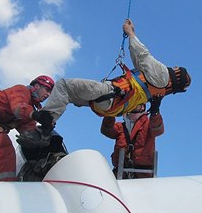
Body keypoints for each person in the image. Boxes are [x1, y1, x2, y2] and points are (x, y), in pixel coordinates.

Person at [17, 19, 190, 147]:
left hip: (108, 93)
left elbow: (142, 55)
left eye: (176, 68)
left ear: (176, 73)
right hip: (111, 105)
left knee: (63, 85)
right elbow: (139, 61)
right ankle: (44, 131)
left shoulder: (162, 75)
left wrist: (130, 33)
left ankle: (44, 130)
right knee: (67, 94)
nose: (173, 66)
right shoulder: (159, 91)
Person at [101, 98, 163, 179]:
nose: (132, 106)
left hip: (143, 177)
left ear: (142, 107)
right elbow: (106, 130)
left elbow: (158, 130)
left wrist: (155, 113)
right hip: (120, 175)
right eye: (130, 104)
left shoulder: (148, 125)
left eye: (136, 104)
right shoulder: (120, 127)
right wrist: (111, 112)